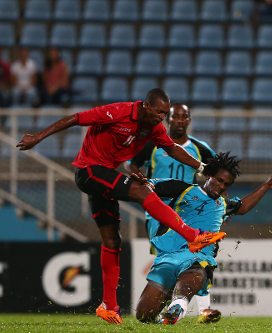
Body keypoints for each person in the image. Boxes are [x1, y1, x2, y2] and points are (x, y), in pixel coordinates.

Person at [16, 88, 225, 325]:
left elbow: (172, 148)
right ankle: (192, 236)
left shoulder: (155, 128)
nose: (161, 117)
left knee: (113, 241)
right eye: (159, 112)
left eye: (164, 113)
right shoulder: (118, 112)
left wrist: (200, 167)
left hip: (103, 178)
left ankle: (108, 306)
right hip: (89, 170)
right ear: (146, 105)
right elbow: (74, 119)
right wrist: (38, 137)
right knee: (141, 192)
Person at [135, 152, 272, 325]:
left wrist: (266, 185)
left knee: (197, 270)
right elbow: (148, 187)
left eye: (226, 184)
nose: (221, 186)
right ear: (208, 175)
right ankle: (165, 319)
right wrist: (143, 182)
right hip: (169, 256)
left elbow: (243, 207)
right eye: (219, 180)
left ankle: (179, 305)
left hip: (198, 256)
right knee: (144, 315)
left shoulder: (223, 204)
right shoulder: (183, 190)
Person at [130, 103, 218, 320]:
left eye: (184, 116)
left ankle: (202, 309)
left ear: (189, 120)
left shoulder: (200, 148)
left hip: (188, 213)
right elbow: (131, 164)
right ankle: (167, 309)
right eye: (175, 116)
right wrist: (138, 178)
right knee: (167, 260)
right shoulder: (152, 145)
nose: (179, 120)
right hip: (156, 212)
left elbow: (218, 173)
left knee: (197, 255)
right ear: (167, 119)